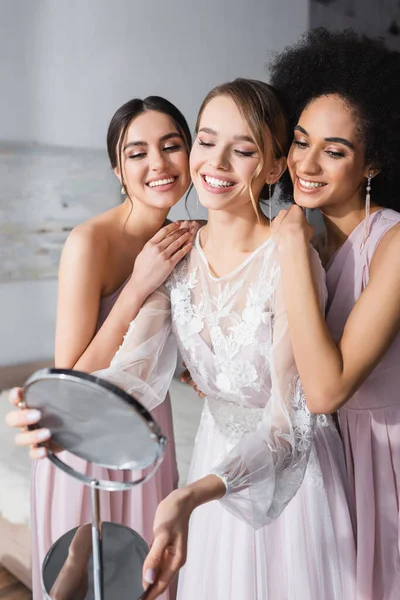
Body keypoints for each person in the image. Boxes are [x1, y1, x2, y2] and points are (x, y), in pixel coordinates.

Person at [91, 79, 355, 599]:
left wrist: (190, 496)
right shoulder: (177, 253)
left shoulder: (290, 256)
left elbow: (288, 427)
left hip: (292, 479)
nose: (216, 162)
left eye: (244, 150)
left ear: (275, 167)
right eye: (207, 141)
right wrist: (60, 409)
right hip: (211, 460)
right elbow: (133, 375)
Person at [6, 95, 197, 600]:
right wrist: (136, 286)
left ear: (190, 155)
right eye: (137, 153)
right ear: (118, 168)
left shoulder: (187, 238)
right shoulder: (90, 242)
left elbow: (162, 344)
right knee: (81, 581)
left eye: (171, 146)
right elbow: (70, 381)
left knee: (149, 580)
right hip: (86, 434)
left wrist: (189, 370)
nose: (157, 163)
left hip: (153, 432)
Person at [268, 28, 400, 600]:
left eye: (335, 149)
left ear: (371, 164)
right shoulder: (312, 244)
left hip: (386, 458)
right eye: (300, 142)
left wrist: (292, 238)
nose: (307, 163)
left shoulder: (393, 244)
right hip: (326, 459)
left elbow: (326, 390)